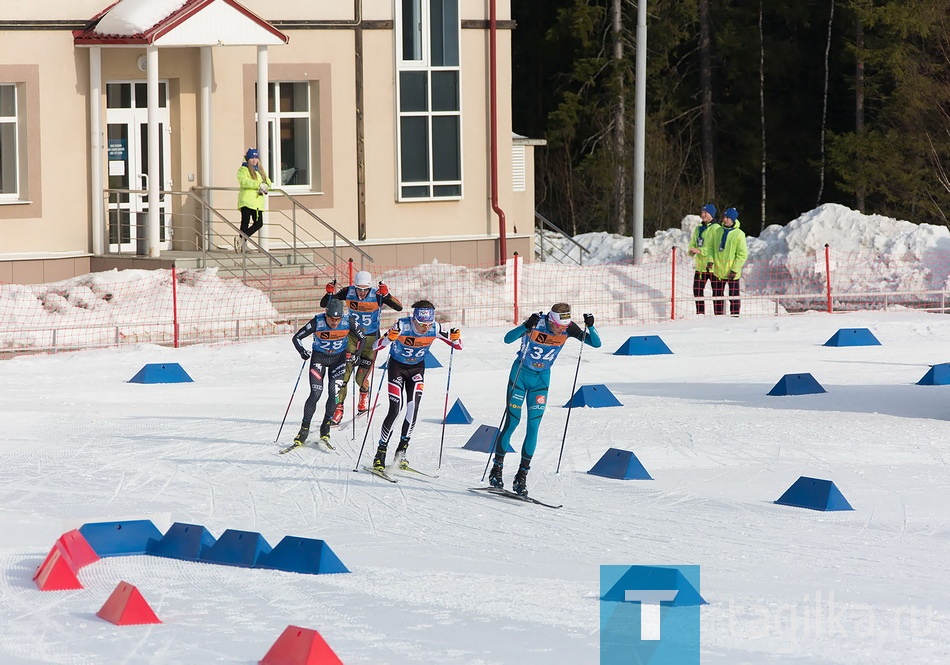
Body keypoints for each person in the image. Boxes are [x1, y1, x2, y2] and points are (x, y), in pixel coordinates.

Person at [489, 303, 601, 497]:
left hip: (541, 380)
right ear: (551, 320)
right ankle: (496, 470)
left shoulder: (569, 327)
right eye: (559, 326)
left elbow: (596, 343)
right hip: (520, 375)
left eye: (565, 326)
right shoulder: (536, 323)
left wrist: (590, 326)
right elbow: (508, 339)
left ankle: (521, 476)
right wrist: (526, 326)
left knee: (533, 427)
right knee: (513, 422)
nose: (562, 329)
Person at [370, 300, 462, 472]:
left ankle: (401, 452)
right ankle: (380, 452)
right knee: (395, 409)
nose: (425, 328)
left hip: (417, 370)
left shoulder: (435, 328)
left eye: (428, 324)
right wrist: (389, 338)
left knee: (413, 409)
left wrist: (456, 339)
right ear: (414, 320)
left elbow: (458, 346)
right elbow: (376, 346)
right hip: (397, 368)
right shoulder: (401, 326)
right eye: (421, 324)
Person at [321, 270, 403, 425]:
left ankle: (364, 395)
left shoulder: (376, 294)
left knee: (361, 378)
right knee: (343, 375)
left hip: (371, 338)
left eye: (365, 289)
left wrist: (387, 296)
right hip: (352, 336)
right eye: (359, 289)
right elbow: (325, 304)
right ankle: (338, 409)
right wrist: (329, 294)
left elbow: (399, 307)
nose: (361, 292)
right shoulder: (348, 291)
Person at [290, 298, 365, 449]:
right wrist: (302, 351)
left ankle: (326, 426)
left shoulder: (348, 321)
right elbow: (296, 337)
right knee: (316, 393)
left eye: (337, 319)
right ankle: (304, 429)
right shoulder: (318, 321)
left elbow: (362, 337)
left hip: (338, 360)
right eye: (332, 319)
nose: (335, 322)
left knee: (334, 394)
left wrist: (357, 354)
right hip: (319, 358)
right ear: (326, 314)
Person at [706, 207, 749, 316]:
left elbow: (742, 254)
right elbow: (711, 247)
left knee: (733, 297)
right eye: (724, 217)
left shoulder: (739, 234)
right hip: (718, 272)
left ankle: (734, 317)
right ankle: (718, 316)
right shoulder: (718, 231)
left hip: (731, 273)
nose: (725, 220)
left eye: (728, 218)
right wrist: (710, 261)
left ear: (733, 219)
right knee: (717, 297)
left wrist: (734, 269)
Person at [235, 148, 273, 251]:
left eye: (256, 158)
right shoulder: (244, 169)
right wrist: (258, 185)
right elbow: (244, 181)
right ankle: (243, 244)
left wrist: (265, 186)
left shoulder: (260, 170)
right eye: (252, 157)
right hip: (246, 200)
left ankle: (241, 238)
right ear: (248, 159)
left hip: (257, 202)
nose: (254, 160)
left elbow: (268, 182)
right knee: (245, 222)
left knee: (258, 223)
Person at [687, 203, 719, 315]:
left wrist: (701, 251)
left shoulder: (717, 228)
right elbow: (693, 243)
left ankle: (719, 316)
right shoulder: (698, 228)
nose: (703, 214)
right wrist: (691, 251)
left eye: (706, 212)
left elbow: (715, 247)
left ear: (712, 215)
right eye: (702, 212)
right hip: (700, 267)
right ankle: (700, 314)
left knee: (717, 293)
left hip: (713, 266)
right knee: (697, 290)